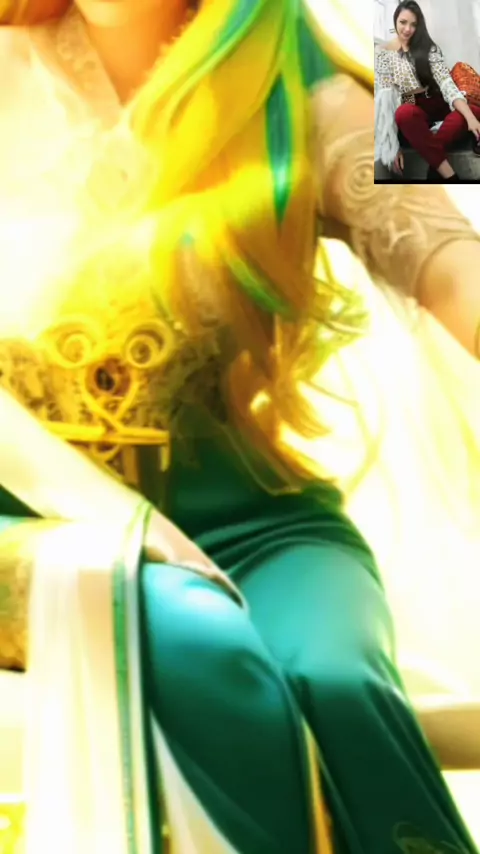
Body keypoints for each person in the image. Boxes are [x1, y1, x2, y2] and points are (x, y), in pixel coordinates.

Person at [0, 1, 479, 853]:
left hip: (257, 520)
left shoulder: (329, 73)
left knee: (337, 678)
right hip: (30, 523)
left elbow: (455, 264)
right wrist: (121, 523)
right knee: (200, 640)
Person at [375, 0, 480, 182]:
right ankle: (449, 176)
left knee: (473, 111)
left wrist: (470, 118)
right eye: (403, 22)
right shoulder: (383, 53)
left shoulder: (429, 49)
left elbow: (447, 84)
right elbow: (386, 101)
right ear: (395, 20)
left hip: (437, 101)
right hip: (412, 108)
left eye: (413, 24)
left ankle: (434, 170)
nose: (407, 29)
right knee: (404, 113)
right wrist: (393, 146)